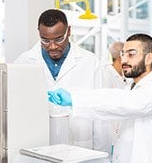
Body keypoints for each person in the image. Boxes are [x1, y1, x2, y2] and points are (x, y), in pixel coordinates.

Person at [48, 33, 152, 163]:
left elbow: (126, 103)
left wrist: (75, 97)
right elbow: (111, 110)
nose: (124, 60)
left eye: (131, 54)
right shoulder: (131, 87)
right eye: (123, 54)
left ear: (149, 58)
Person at [14, 9, 103, 150]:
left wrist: (102, 156)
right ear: (39, 33)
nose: (53, 46)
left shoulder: (90, 62)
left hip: (81, 147)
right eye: (45, 40)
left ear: (69, 31)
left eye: (59, 39)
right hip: (37, 147)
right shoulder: (23, 62)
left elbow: (100, 111)